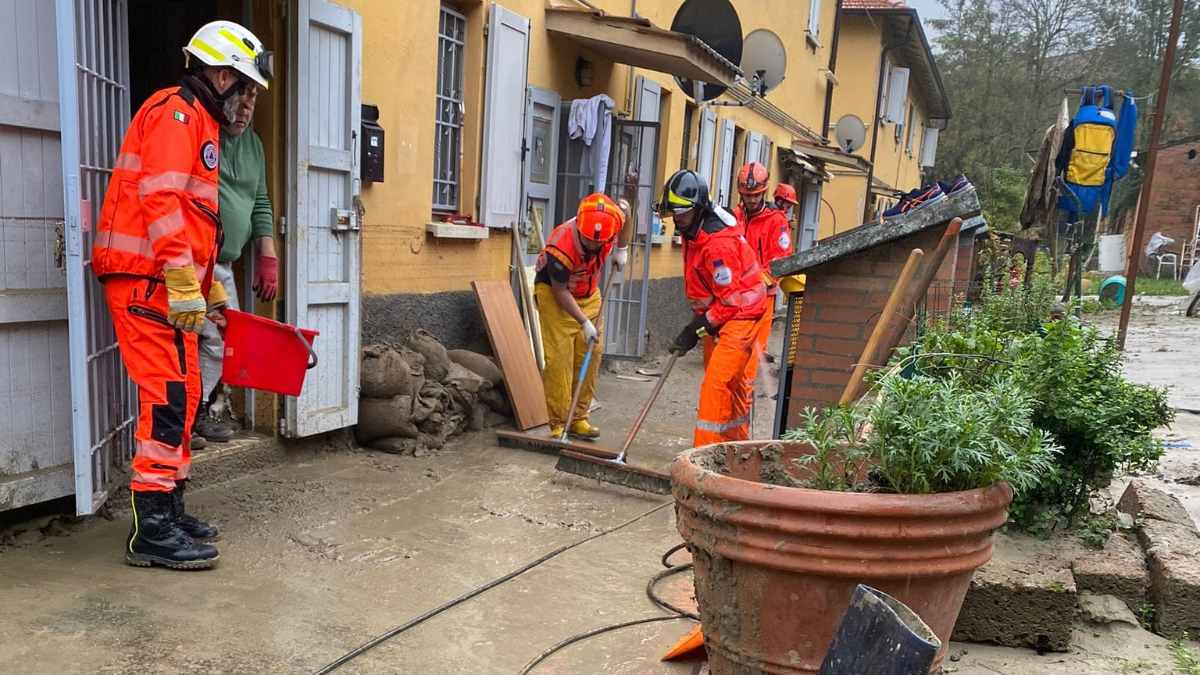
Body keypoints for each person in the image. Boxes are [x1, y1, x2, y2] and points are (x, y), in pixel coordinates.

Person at [92, 20, 272, 570]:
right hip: (146, 283)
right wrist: (180, 283)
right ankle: (152, 532)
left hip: (164, 283)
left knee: (185, 394)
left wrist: (210, 288)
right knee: (168, 401)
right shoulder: (176, 114)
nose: (247, 102)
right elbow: (162, 201)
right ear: (219, 75)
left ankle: (168, 509)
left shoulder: (199, 124)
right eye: (244, 88)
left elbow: (196, 229)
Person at [195, 73, 279, 444]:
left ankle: (198, 412)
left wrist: (267, 254)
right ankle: (178, 420)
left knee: (219, 341)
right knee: (186, 338)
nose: (245, 108)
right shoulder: (202, 133)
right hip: (192, 259)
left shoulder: (255, 147)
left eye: (253, 100)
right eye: (240, 98)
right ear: (222, 93)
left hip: (224, 265)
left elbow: (259, 201)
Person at [659, 170, 769, 447]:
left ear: (697, 209)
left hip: (740, 316)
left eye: (681, 213)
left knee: (716, 386)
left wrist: (694, 329)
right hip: (728, 314)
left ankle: (702, 459)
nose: (676, 219)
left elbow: (730, 301)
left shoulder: (718, 244)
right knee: (731, 386)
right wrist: (698, 323)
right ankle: (736, 449)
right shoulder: (693, 229)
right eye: (674, 213)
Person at [534, 194, 627, 439]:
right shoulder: (560, 246)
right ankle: (558, 423)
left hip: (589, 293)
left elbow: (628, 218)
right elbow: (560, 291)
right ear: (579, 228)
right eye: (588, 240)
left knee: (591, 354)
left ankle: (579, 418)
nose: (594, 246)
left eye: (600, 243)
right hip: (556, 298)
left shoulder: (611, 220)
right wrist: (584, 322)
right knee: (559, 361)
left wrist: (622, 249)